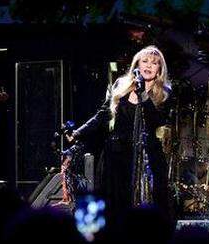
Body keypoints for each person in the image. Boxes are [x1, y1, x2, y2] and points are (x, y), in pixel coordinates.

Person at [69, 46, 172, 212]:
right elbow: (103, 114)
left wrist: (143, 94)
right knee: (116, 205)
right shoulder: (121, 84)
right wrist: (78, 132)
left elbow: (157, 120)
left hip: (146, 156)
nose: (148, 65)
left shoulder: (164, 93)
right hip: (117, 154)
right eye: (145, 61)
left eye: (154, 63)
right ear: (137, 65)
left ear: (160, 69)